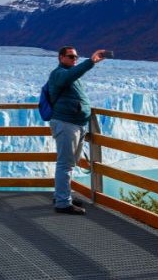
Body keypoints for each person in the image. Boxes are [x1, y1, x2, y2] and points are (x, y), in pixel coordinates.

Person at [48, 46, 107, 215]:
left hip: (76, 124)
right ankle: (62, 203)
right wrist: (91, 62)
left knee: (70, 164)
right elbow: (70, 76)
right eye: (71, 57)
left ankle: (63, 195)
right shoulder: (59, 73)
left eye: (76, 57)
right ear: (61, 58)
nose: (75, 59)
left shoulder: (69, 74)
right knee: (65, 164)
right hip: (66, 124)